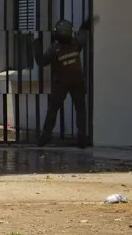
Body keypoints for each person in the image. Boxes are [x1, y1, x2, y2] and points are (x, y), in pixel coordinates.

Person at [33, 17, 96, 148]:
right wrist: (86, 24)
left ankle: (46, 134)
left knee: (53, 109)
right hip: (77, 81)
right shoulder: (76, 43)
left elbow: (41, 61)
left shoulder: (55, 49)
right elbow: (83, 34)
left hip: (61, 83)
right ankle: (82, 135)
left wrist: (36, 44)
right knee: (80, 109)